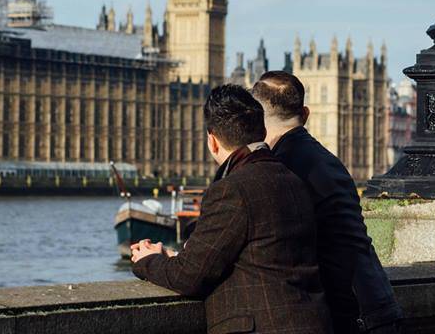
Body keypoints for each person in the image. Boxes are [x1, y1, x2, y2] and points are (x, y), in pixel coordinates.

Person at [131, 83, 332, 334]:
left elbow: (190, 277)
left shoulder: (232, 189)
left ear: (212, 141)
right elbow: (262, 257)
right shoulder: (293, 180)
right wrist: (175, 257)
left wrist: (147, 261)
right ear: (262, 130)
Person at [251, 71, 404, 334]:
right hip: (379, 300)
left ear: (256, 122)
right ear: (306, 114)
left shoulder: (278, 168)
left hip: (348, 315)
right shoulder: (329, 160)